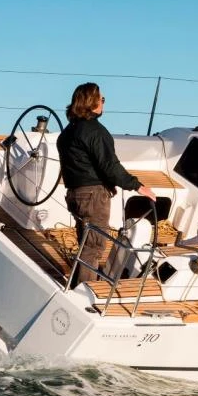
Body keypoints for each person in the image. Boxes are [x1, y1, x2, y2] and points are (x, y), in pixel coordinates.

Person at [57, 82, 156, 283]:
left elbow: (86, 165)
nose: (103, 103)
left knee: (85, 244)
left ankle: (76, 285)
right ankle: (85, 290)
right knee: (93, 247)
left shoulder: (67, 133)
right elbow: (110, 166)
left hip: (75, 194)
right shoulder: (95, 131)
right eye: (101, 99)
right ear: (92, 102)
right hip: (93, 197)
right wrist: (137, 186)